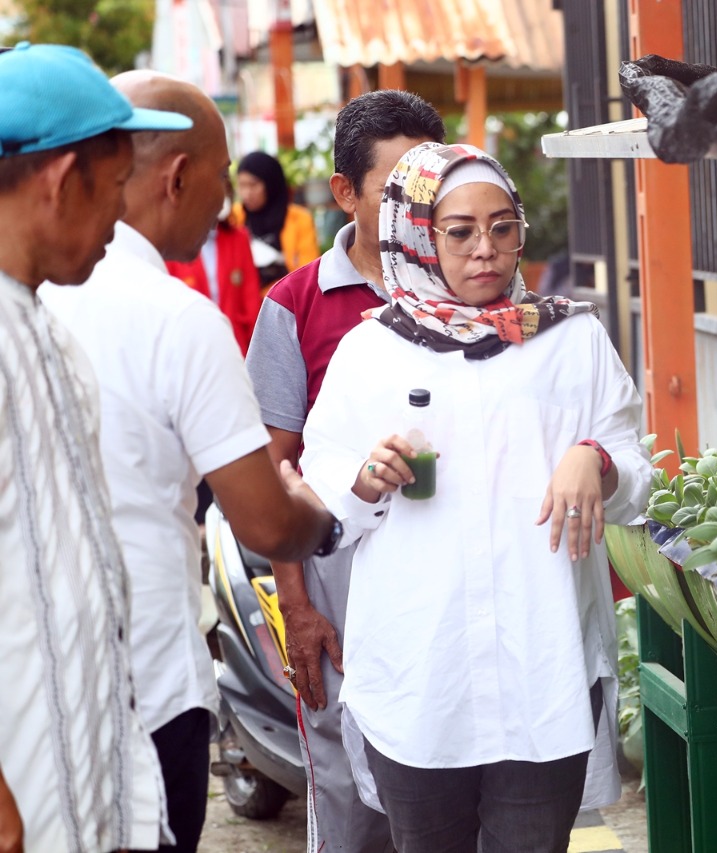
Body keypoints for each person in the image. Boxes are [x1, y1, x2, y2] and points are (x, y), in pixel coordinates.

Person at [299, 142, 651, 852]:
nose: (484, 248)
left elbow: (640, 479)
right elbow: (322, 493)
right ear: (420, 235)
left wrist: (598, 460)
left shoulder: (572, 339)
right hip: (422, 675)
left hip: (542, 667)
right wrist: (366, 479)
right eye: (459, 230)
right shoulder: (373, 351)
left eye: (502, 226)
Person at [38, 70, 345, 853]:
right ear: (178, 176)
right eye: (219, 175)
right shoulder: (177, 318)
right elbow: (267, 519)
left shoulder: (29, 301)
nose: (225, 199)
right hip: (147, 680)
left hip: (35, 682)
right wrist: (326, 510)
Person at [0, 43, 191, 853]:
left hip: (93, 789)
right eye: (114, 187)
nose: (121, 217)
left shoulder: (45, 328)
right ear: (61, 177)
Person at [245, 88, 445, 853]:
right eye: (394, 188)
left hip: (445, 583)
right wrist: (298, 608)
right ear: (344, 193)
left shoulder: (474, 289)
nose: (415, 206)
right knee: (349, 792)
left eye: (430, 184)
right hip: (342, 593)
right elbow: (276, 467)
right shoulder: (294, 304)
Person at [166, 191, 262, 355]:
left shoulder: (238, 238)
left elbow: (251, 302)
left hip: (237, 347)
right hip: (193, 350)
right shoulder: (173, 244)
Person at [232, 150, 320, 293]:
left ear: (270, 184)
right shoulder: (234, 217)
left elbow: (308, 272)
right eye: (242, 185)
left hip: (286, 300)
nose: (246, 193)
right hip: (245, 303)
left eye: (253, 185)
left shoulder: (299, 219)